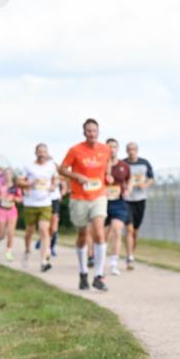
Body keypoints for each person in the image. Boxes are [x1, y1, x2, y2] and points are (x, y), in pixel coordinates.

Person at [59, 118, 112, 291]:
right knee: (83, 235)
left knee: (99, 231)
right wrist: (77, 177)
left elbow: (108, 163)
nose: (92, 134)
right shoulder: (75, 150)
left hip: (99, 196)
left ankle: (98, 276)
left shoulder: (105, 150)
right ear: (84, 133)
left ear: (98, 132)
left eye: (94, 131)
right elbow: (62, 169)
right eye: (89, 131)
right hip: (79, 197)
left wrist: (108, 175)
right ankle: (83, 273)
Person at [19, 143, 59, 272]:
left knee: (44, 230)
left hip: (45, 203)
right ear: (35, 153)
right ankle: (27, 250)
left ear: (47, 153)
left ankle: (43, 261)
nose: (42, 154)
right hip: (30, 203)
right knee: (29, 231)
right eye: (40, 151)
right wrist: (30, 183)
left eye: (44, 151)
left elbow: (55, 179)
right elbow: (19, 181)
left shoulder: (51, 167)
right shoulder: (28, 167)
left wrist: (53, 186)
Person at [123, 142, 154, 270]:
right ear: (126, 151)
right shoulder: (123, 164)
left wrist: (145, 185)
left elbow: (151, 178)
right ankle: (129, 256)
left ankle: (132, 252)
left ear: (137, 150)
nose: (132, 151)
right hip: (127, 199)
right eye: (129, 149)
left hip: (140, 199)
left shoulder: (145, 163)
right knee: (129, 229)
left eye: (134, 149)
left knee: (135, 231)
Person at [104, 138, 132, 276]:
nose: (112, 149)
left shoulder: (124, 165)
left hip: (119, 202)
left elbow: (129, 179)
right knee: (102, 235)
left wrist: (128, 189)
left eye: (114, 146)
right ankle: (98, 258)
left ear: (118, 148)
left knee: (117, 230)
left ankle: (114, 263)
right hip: (103, 202)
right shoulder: (101, 165)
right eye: (109, 147)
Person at [0, 168, 22, 261]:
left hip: (12, 211)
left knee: (11, 232)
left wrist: (13, 198)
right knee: (2, 234)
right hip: (1, 210)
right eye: (5, 174)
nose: (7, 175)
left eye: (9, 174)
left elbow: (20, 199)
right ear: (3, 175)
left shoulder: (15, 187)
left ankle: (8, 252)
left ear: (12, 175)